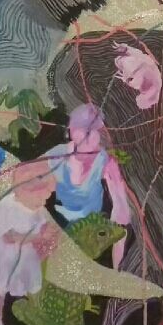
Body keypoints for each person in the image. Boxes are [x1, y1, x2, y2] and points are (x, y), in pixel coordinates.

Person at [0, 159, 59, 325]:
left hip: (25, 255)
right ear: (25, 190)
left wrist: (48, 233)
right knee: (0, 289)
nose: (43, 201)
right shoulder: (7, 206)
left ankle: (24, 312)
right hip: (6, 255)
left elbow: (41, 224)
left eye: (46, 197)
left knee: (23, 282)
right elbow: (10, 237)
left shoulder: (36, 208)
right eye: (41, 197)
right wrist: (39, 237)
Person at [47, 104, 132, 266]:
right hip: (58, 226)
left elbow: (122, 213)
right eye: (84, 131)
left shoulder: (107, 162)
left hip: (93, 229)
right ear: (71, 132)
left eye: (94, 131)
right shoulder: (56, 155)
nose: (89, 137)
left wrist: (117, 266)